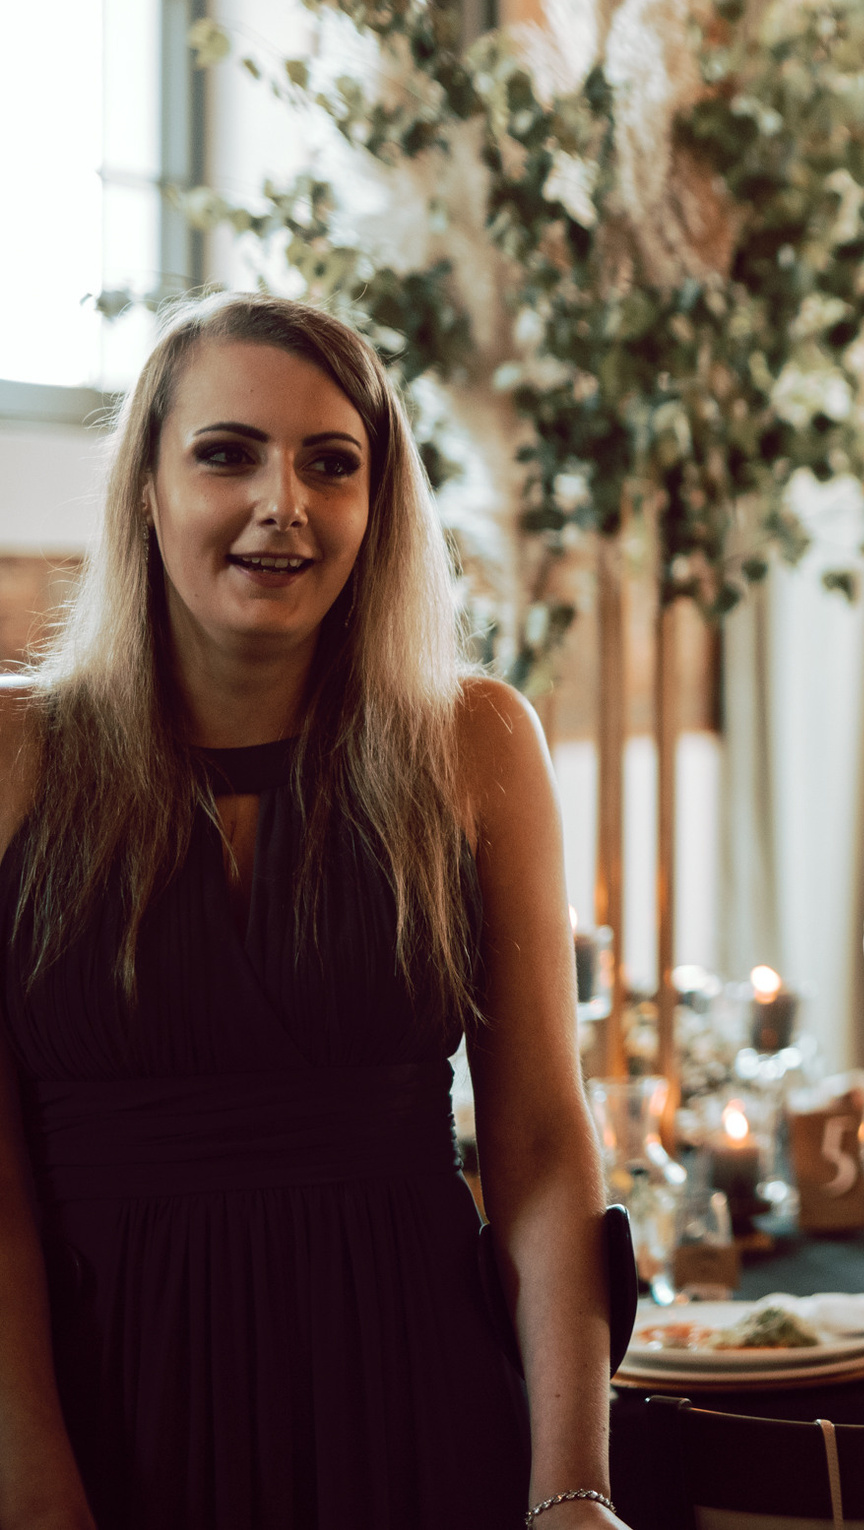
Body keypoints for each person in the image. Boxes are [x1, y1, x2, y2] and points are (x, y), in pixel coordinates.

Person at [0, 293, 626, 1530]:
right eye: (227, 453)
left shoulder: (474, 741)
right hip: (106, 1397)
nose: (283, 502)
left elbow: (544, 1150)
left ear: (375, 507)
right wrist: (32, 1486)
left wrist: (573, 1485)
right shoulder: (16, 752)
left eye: (330, 464)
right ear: (146, 489)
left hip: (415, 1393)